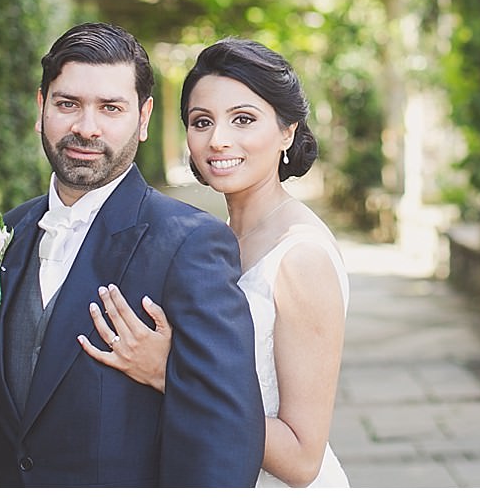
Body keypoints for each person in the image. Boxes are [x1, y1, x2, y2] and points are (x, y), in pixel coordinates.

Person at [0, 22, 264, 487]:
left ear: (143, 118)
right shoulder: (5, 234)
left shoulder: (191, 244)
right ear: (41, 108)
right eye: (67, 104)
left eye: (110, 108)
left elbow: (227, 435)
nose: (85, 127)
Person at [79, 38, 351, 488]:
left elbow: (304, 458)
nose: (217, 140)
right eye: (201, 122)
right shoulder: (212, 236)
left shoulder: (301, 258)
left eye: (243, 119)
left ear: (288, 131)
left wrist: (174, 374)